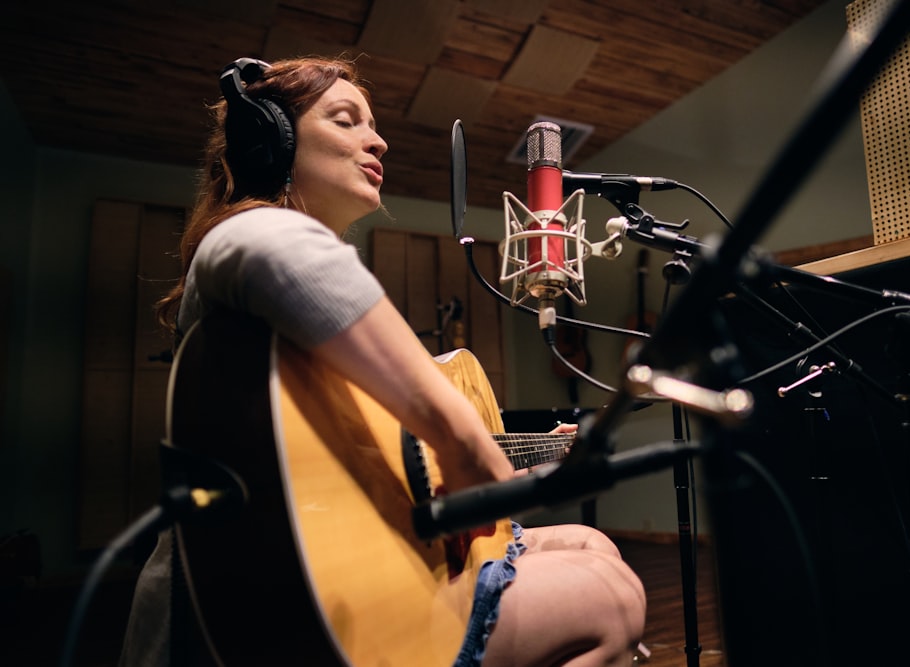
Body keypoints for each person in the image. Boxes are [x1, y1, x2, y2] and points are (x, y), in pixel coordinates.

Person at [119, 55, 645, 667]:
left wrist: (503, 462)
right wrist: (464, 443)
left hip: (332, 573)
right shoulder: (242, 235)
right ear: (272, 140)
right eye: (346, 120)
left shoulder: (303, 308)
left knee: (591, 541)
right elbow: (266, 246)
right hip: (264, 607)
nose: (379, 139)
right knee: (611, 600)